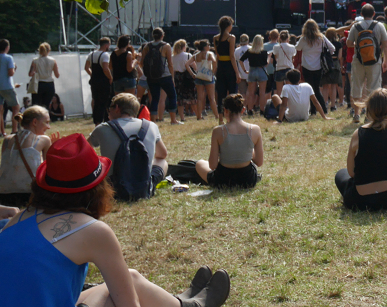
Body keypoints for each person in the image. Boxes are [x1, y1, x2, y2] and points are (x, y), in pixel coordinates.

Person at [0, 133, 232, 307]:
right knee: (115, 296)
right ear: (97, 187)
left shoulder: (19, 218)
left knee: (129, 278)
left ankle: (182, 303)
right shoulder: (93, 231)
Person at [335, 88, 387, 211]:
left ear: (368, 109)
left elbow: (351, 172)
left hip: (360, 201)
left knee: (341, 174)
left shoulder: (358, 134)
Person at [88, 93, 169, 200]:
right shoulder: (151, 126)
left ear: (117, 108)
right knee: (162, 162)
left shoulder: (102, 128)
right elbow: (162, 154)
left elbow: (85, 150)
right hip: (143, 189)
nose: (108, 113)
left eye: (110, 109)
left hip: (113, 190)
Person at [194, 94, 263, 189]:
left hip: (223, 180)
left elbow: (212, 165)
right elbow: (259, 162)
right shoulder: (255, 129)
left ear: (225, 111)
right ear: (243, 110)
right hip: (248, 179)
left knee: (199, 163)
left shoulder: (218, 131)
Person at [0, 106, 51, 207]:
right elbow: (48, 171)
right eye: (47, 122)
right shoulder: (43, 140)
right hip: (28, 194)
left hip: (3, 194)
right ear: (35, 122)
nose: (49, 127)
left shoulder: (7, 140)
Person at [346, 5, 387, 122]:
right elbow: (385, 45)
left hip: (358, 60)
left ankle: (356, 114)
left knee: (357, 86)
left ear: (361, 14)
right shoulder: (379, 26)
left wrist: (358, 45)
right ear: (374, 13)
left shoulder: (355, 26)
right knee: (374, 88)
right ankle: (369, 115)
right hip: (375, 61)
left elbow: (349, 43)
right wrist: (385, 61)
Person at [140, 28, 179, 125]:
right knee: (172, 96)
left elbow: (142, 62)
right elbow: (170, 63)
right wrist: (172, 77)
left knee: (154, 98)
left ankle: (153, 121)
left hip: (151, 77)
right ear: (162, 35)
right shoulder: (166, 46)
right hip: (164, 75)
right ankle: (173, 120)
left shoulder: (147, 46)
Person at [298, 18, 336, 116]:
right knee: (317, 89)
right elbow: (332, 48)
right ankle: (323, 109)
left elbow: (297, 48)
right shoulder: (321, 38)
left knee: (310, 89)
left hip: (306, 67)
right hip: (318, 67)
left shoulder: (304, 39)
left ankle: (313, 111)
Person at [213, 16, 244, 118]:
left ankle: (221, 117)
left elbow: (217, 54)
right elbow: (232, 56)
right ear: (228, 26)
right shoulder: (231, 38)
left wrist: (216, 69)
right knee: (233, 92)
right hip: (229, 67)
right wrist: (237, 72)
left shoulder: (215, 38)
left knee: (221, 92)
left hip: (221, 67)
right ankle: (233, 116)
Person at [85, 37, 113, 125]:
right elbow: (105, 68)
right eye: (109, 45)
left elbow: (86, 67)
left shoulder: (91, 54)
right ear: (106, 45)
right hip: (103, 82)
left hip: (94, 82)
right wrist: (110, 77)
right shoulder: (105, 55)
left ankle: (97, 122)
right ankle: (104, 121)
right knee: (104, 102)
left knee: (96, 102)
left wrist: (92, 75)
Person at [241, 35, 270, 115]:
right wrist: (269, 57)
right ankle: (262, 110)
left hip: (252, 71)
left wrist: (244, 70)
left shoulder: (249, 51)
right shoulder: (263, 52)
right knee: (262, 92)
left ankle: (250, 110)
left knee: (251, 92)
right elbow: (266, 64)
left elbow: (241, 60)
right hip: (261, 71)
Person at [192, 40, 219, 122]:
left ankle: (199, 116)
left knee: (200, 98)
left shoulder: (196, 55)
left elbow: (187, 64)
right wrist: (213, 72)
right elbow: (214, 61)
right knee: (211, 98)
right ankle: (216, 116)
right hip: (208, 76)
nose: (209, 46)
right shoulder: (209, 54)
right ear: (205, 46)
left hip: (199, 77)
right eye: (208, 44)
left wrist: (193, 73)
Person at [28, 42, 59, 109]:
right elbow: (57, 75)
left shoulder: (35, 61)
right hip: (49, 84)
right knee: (46, 105)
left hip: (38, 84)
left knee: (36, 105)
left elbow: (30, 74)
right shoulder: (53, 60)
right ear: (49, 50)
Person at [172, 39, 196, 123]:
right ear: (184, 47)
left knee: (180, 98)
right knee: (192, 96)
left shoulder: (173, 57)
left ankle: (182, 117)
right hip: (187, 77)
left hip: (177, 77)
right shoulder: (188, 55)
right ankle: (197, 114)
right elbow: (194, 66)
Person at [321, 27, 344, 110]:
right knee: (334, 86)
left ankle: (324, 104)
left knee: (325, 86)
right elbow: (340, 56)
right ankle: (333, 105)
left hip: (326, 64)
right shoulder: (338, 44)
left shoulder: (323, 43)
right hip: (335, 64)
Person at [0, 39, 18, 134]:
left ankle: (1, 131)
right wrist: (14, 68)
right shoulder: (8, 58)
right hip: (7, 86)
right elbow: (10, 73)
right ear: (7, 47)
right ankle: (14, 130)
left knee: (0, 110)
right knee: (16, 108)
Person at [272, 30, 296, 96]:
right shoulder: (292, 47)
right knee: (289, 90)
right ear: (288, 38)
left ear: (280, 38)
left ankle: (280, 105)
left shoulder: (276, 47)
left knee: (279, 91)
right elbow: (293, 59)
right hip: (289, 68)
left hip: (279, 69)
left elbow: (276, 58)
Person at [234, 33, 250, 98]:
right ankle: (250, 106)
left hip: (241, 74)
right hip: (250, 74)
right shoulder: (251, 49)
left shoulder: (236, 50)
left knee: (242, 92)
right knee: (250, 92)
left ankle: (244, 106)